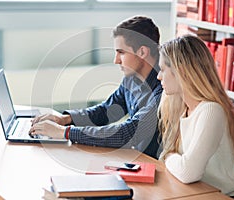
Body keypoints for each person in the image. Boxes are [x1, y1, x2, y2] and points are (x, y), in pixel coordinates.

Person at [29, 16, 163, 159]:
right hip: (133, 158)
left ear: (142, 52)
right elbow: (107, 110)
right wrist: (65, 119)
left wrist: (65, 132)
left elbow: (128, 133)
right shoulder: (132, 79)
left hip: (156, 170)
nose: (116, 60)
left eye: (121, 52)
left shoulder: (164, 89)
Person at [157, 35, 234, 199]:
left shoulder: (211, 111)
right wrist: (173, 158)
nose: (159, 76)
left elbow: (188, 172)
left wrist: (169, 157)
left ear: (180, 71)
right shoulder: (184, 109)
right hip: (203, 192)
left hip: (230, 197)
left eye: (162, 69)